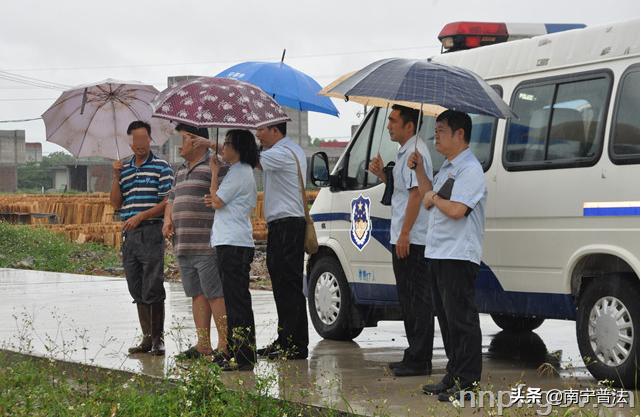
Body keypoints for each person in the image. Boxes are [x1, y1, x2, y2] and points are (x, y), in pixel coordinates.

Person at [409, 110, 487, 402]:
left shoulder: (470, 170)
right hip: (440, 252)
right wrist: (419, 172)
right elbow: (430, 197)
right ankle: (453, 375)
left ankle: (468, 384)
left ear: (460, 135)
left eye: (441, 131)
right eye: (436, 130)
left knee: (462, 321)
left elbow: (457, 210)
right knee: (447, 319)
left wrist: (434, 198)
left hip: (458, 255)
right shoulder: (449, 168)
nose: (435, 136)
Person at [369, 105, 435, 377]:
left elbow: (416, 195)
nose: (388, 126)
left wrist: (405, 233)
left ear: (409, 125)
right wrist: (383, 175)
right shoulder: (407, 150)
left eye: (394, 121)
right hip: (405, 234)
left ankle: (419, 360)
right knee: (408, 299)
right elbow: (401, 191)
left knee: (416, 300)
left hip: (413, 238)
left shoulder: (414, 152)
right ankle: (414, 355)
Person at [163, 123, 228, 360]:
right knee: (196, 294)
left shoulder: (216, 165)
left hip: (206, 243)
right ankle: (203, 344)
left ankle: (224, 344)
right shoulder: (180, 170)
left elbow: (235, 164)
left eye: (184, 139)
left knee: (215, 293)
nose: (180, 145)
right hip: (184, 243)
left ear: (196, 140)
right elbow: (171, 199)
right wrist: (167, 220)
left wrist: (212, 152)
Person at [110, 120, 174, 356]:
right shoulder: (124, 169)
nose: (139, 144)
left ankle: (158, 340)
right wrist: (115, 176)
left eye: (143, 139)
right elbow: (116, 203)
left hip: (150, 231)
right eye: (135, 140)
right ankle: (147, 339)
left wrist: (142, 216)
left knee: (153, 285)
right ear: (130, 141)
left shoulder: (161, 167)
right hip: (129, 234)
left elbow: (167, 200)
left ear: (150, 139)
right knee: (135, 285)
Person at [205, 129, 258, 371]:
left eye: (227, 143)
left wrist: (214, 173)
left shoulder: (239, 172)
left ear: (238, 147)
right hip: (231, 241)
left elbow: (216, 201)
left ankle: (243, 356)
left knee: (237, 303)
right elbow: (220, 200)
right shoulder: (240, 171)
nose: (223, 147)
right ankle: (239, 353)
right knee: (236, 300)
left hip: (233, 244)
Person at [254, 122, 308, 360]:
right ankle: (286, 339)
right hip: (284, 224)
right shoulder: (290, 150)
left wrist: (215, 145)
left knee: (288, 285)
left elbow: (251, 160)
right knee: (283, 285)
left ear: (275, 131)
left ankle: (294, 345)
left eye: (261, 130)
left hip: (287, 225)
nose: (258, 135)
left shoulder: (281, 153)